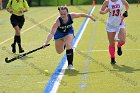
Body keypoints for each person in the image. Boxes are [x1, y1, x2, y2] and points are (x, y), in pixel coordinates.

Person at [99, 0, 129, 64]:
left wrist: (126, 11)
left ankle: (119, 46)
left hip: (120, 23)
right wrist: (104, 11)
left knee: (123, 40)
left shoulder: (121, 1)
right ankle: (112, 58)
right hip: (110, 25)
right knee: (112, 43)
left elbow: (127, 5)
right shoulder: (107, 2)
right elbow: (101, 11)